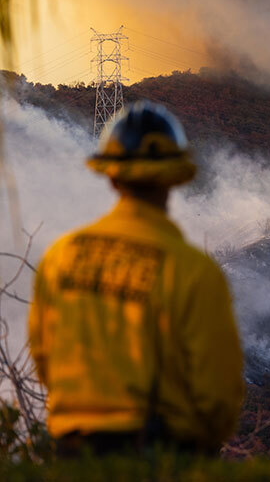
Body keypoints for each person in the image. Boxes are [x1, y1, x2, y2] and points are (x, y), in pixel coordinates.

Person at [28, 101, 245, 456]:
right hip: (159, 456)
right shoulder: (194, 272)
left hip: (72, 454)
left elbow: (44, 357)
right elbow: (219, 394)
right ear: (176, 178)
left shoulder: (60, 256)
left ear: (111, 175)